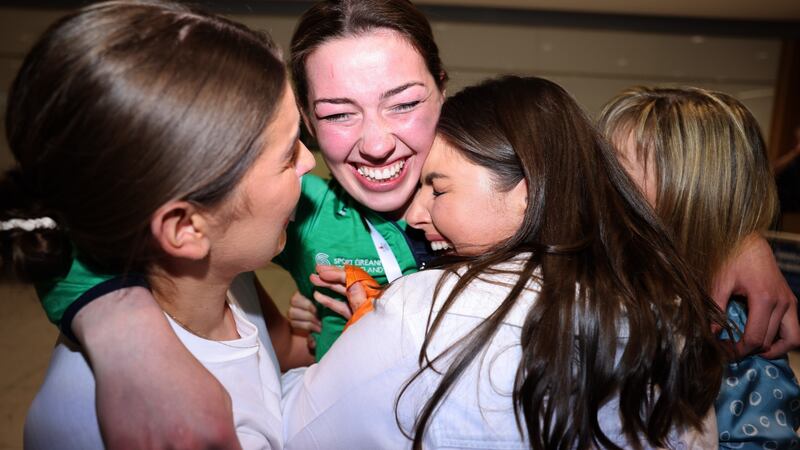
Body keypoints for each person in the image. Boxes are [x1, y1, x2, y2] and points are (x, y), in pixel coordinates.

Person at [19, 0, 799, 444]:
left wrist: (730, 235)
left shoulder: (495, 168)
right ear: (305, 127)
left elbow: (605, 176)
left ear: (447, 92)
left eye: (405, 102)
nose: (379, 142)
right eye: (334, 114)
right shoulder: (299, 202)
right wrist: (127, 337)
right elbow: (100, 209)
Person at [281, 75, 726, 449]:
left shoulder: (422, 313)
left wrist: (365, 342)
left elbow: (295, 428)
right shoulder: (665, 310)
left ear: (527, 190)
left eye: (437, 189)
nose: (415, 217)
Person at [0, 1, 314, 447]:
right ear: (185, 228)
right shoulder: (107, 427)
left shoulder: (226, 279)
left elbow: (283, 353)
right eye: (288, 155)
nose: (308, 161)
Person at [598, 86, 800, 449]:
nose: (595, 184)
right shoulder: (597, 280)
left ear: (691, 194)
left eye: (617, 172)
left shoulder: (731, 328)